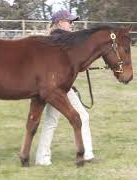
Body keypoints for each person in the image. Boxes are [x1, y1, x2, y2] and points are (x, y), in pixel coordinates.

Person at [35, 10, 95, 166]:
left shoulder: (56, 39)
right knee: (65, 118)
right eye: (70, 21)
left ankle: (43, 157)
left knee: (56, 120)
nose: (72, 24)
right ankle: (43, 157)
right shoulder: (59, 39)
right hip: (56, 90)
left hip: (62, 88)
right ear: (60, 22)